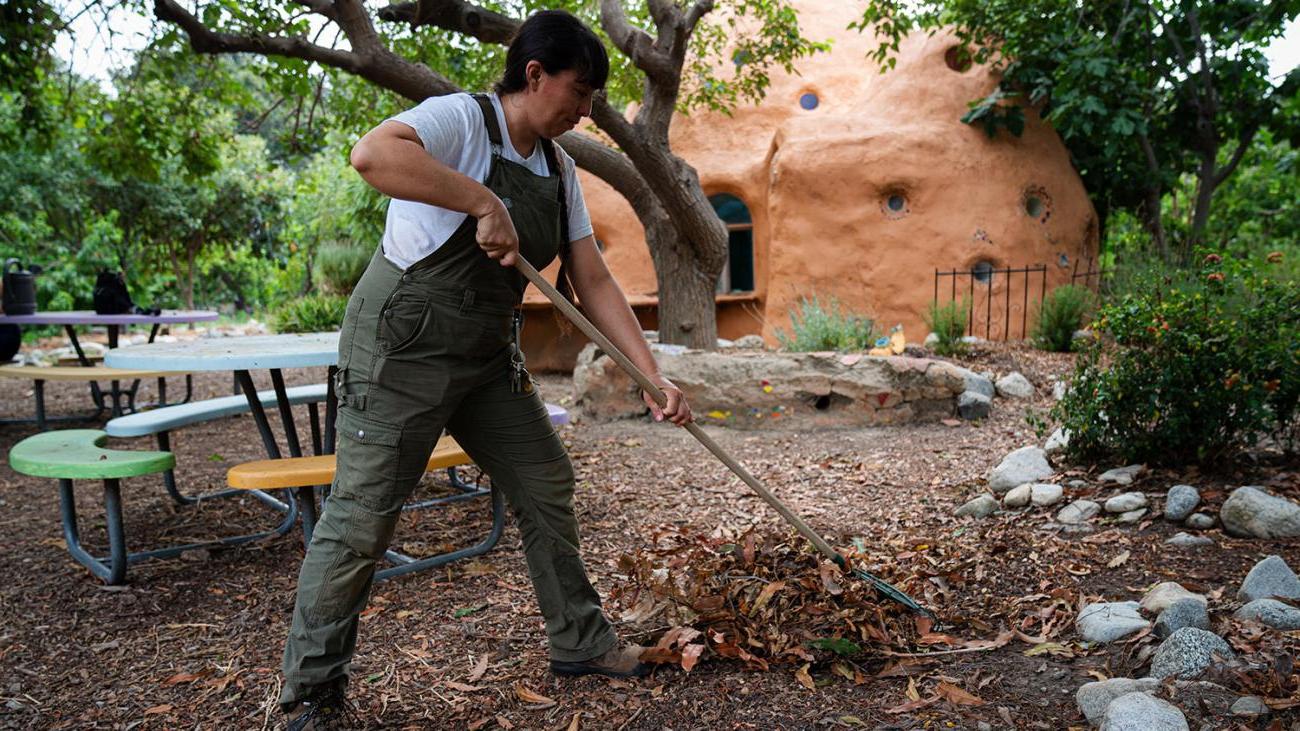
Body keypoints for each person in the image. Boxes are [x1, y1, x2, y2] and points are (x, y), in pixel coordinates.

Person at [280, 9, 693, 729]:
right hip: (401, 348)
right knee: (361, 519)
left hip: (483, 359)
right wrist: (481, 199)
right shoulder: (462, 121)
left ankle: (580, 641)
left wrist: (650, 373)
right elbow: (372, 155)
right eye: (580, 91)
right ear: (534, 74)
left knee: (545, 480)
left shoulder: (561, 169)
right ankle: (310, 692)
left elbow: (591, 278)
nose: (586, 111)